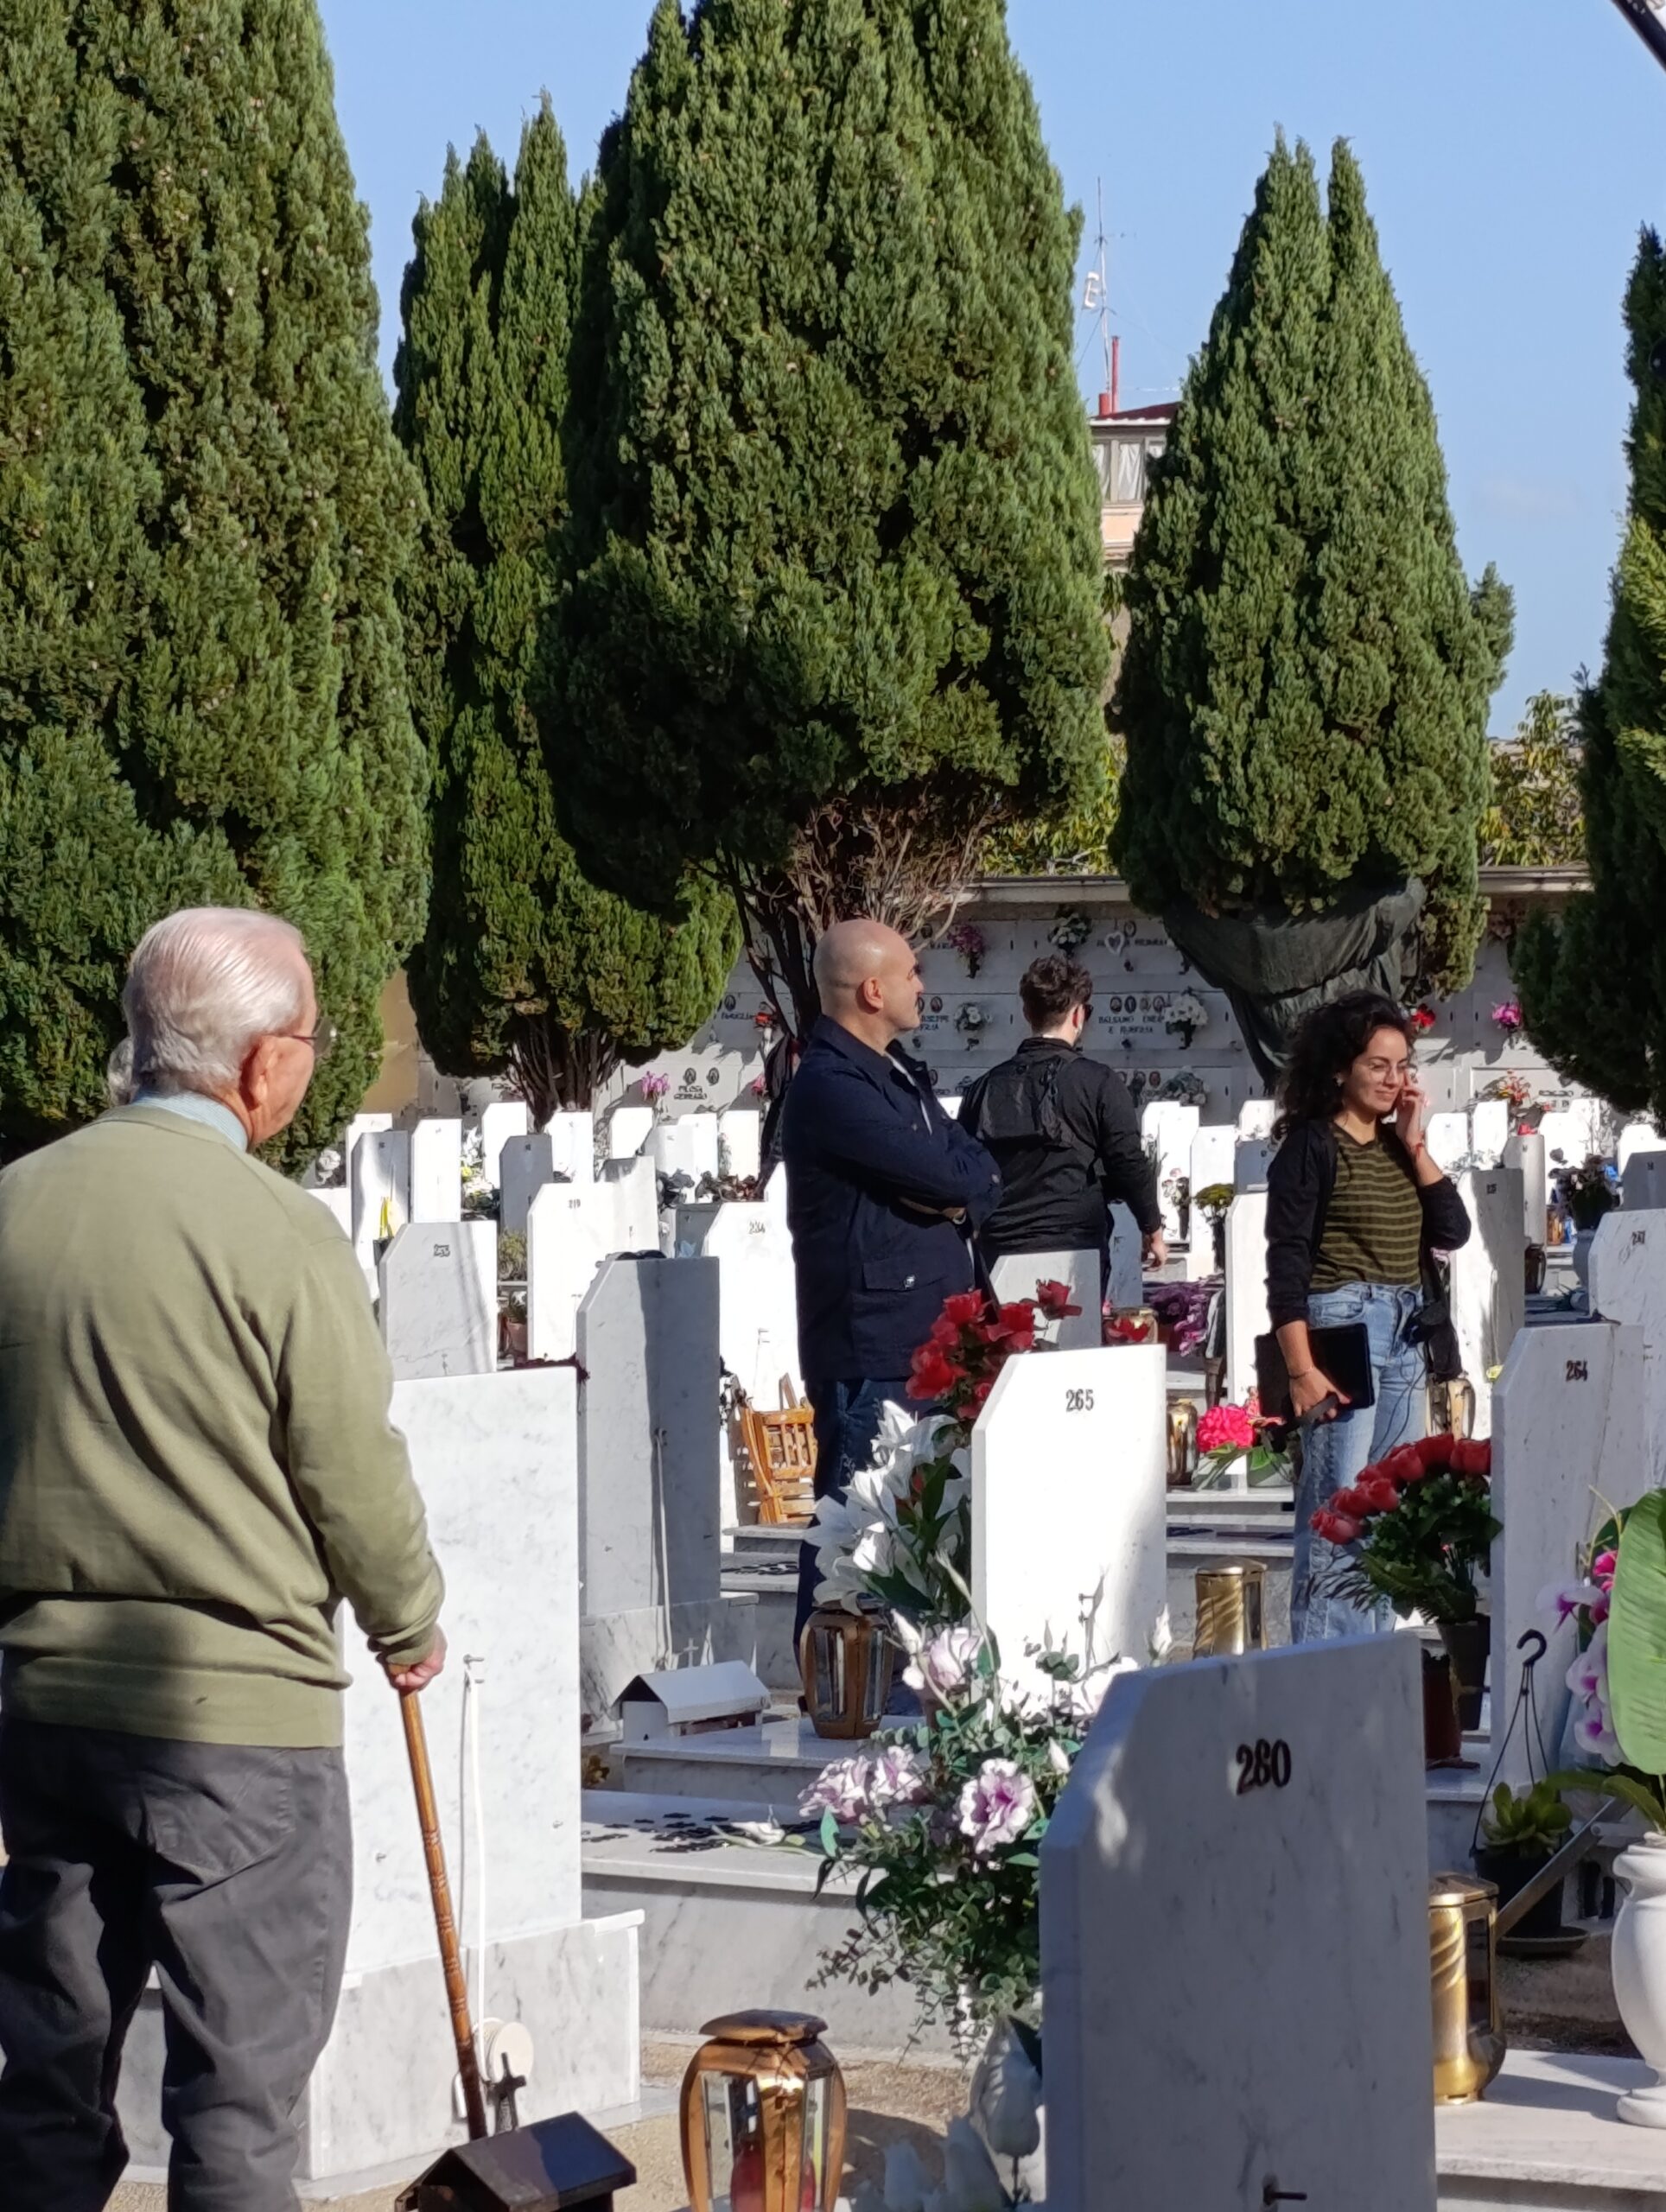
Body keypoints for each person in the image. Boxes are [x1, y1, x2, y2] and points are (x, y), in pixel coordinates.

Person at [0, 908, 446, 2212]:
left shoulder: (15, 1208)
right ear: (261, 1065)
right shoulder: (279, 1233)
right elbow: (348, 1469)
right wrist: (407, 1618)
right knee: (239, 2101)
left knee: (45, 2078)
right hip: (242, 1723)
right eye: (314, 1039)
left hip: (47, 1704)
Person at [781, 920, 1002, 1642]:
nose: (922, 984)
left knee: (917, 1523)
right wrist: (946, 1187)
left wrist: (951, 1189)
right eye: (911, 972)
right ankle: (831, 1690)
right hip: (871, 1345)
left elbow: (975, 1170)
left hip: (926, 1335)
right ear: (873, 990)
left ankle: (896, 1682)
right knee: (852, 1525)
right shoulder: (829, 1085)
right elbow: (940, 1173)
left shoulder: (898, 1070)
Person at [1266, 990, 1471, 1643]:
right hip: (1340, 1331)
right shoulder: (1310, 1146)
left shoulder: (1394, 1148)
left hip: (1407, 1332)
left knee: (1386, 1510)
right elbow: (1287, 1263)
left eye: (1402, 1065)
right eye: (1378, 1065)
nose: (1394, 1079)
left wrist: (1415, 1145)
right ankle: (1322, 1671)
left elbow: (1453, 1230)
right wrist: (1300, 1369)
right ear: (1339, 1070)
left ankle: (1369, 1663)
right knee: (1336, 1512)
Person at [959, 953, 1167, 1292]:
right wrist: (1152, 1229)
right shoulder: (1098, 1082)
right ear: (1078, 1014)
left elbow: (964, 1168)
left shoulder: (982, 1088)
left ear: (1027, 1013)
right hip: (1074, 1243)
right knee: (1074, 1340)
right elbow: (1127, 1161)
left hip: (1000, 1242)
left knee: (1005, 1342)